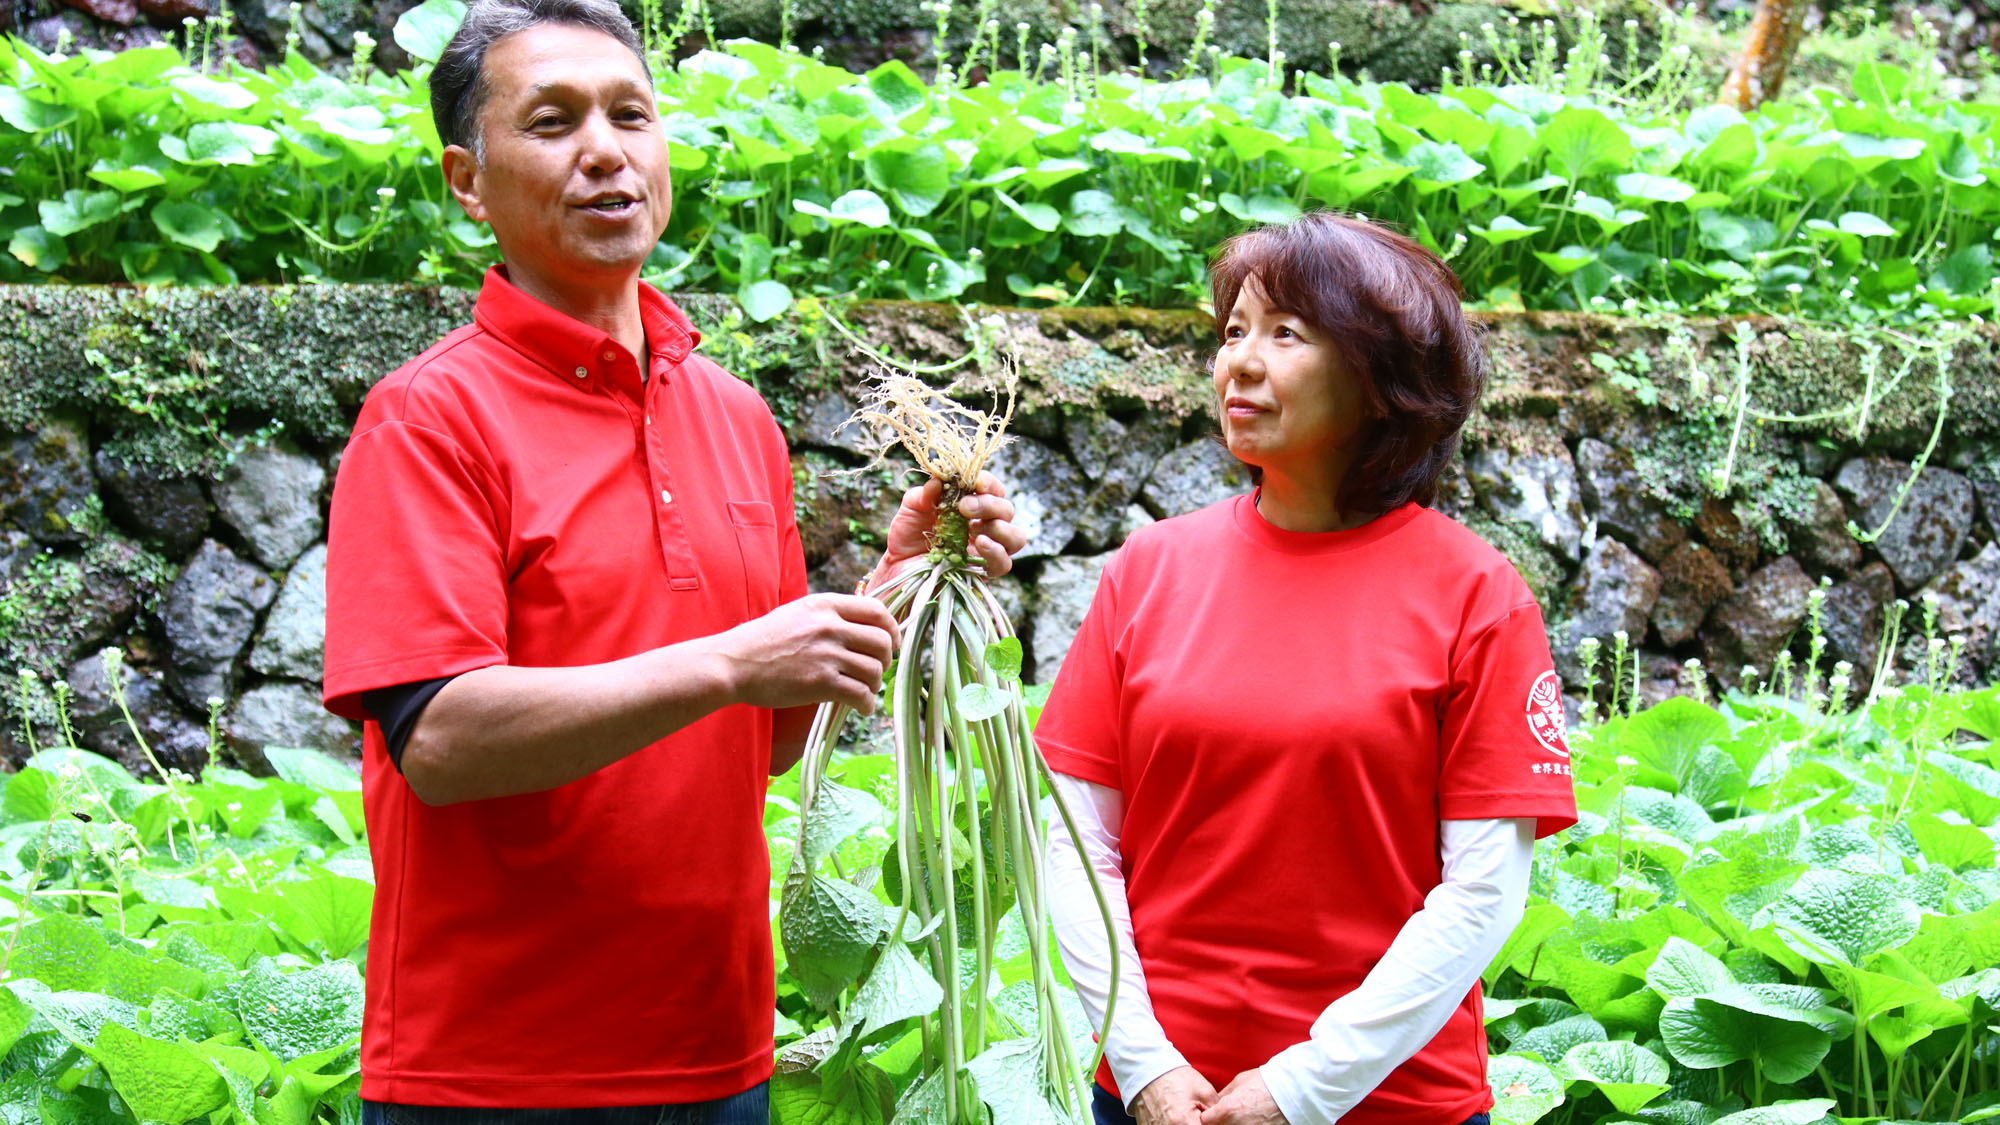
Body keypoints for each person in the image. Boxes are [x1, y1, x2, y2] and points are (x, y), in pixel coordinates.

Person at [319, 1, 1024, 1119]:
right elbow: (440, 739)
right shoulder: (428, 419)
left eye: (629, 115)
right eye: (552, 122)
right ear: (467, 179)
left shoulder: (734, 416)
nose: (604, 150)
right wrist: (729, 663)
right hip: (496, 1076)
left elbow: (771, 737)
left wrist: (896, 587)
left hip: (720, 1057)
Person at [1039, 213, 1579, 1125]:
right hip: (1156, 1095)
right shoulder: (1149, 569)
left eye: (1284, 334)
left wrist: (1305, 1084)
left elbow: (1485, 889)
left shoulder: (1478, 595)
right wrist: (1140, 1062)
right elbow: (1073, 842)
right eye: (1233, 331)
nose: (1239, 362)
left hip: (1388, 1101)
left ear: (1381, 381)